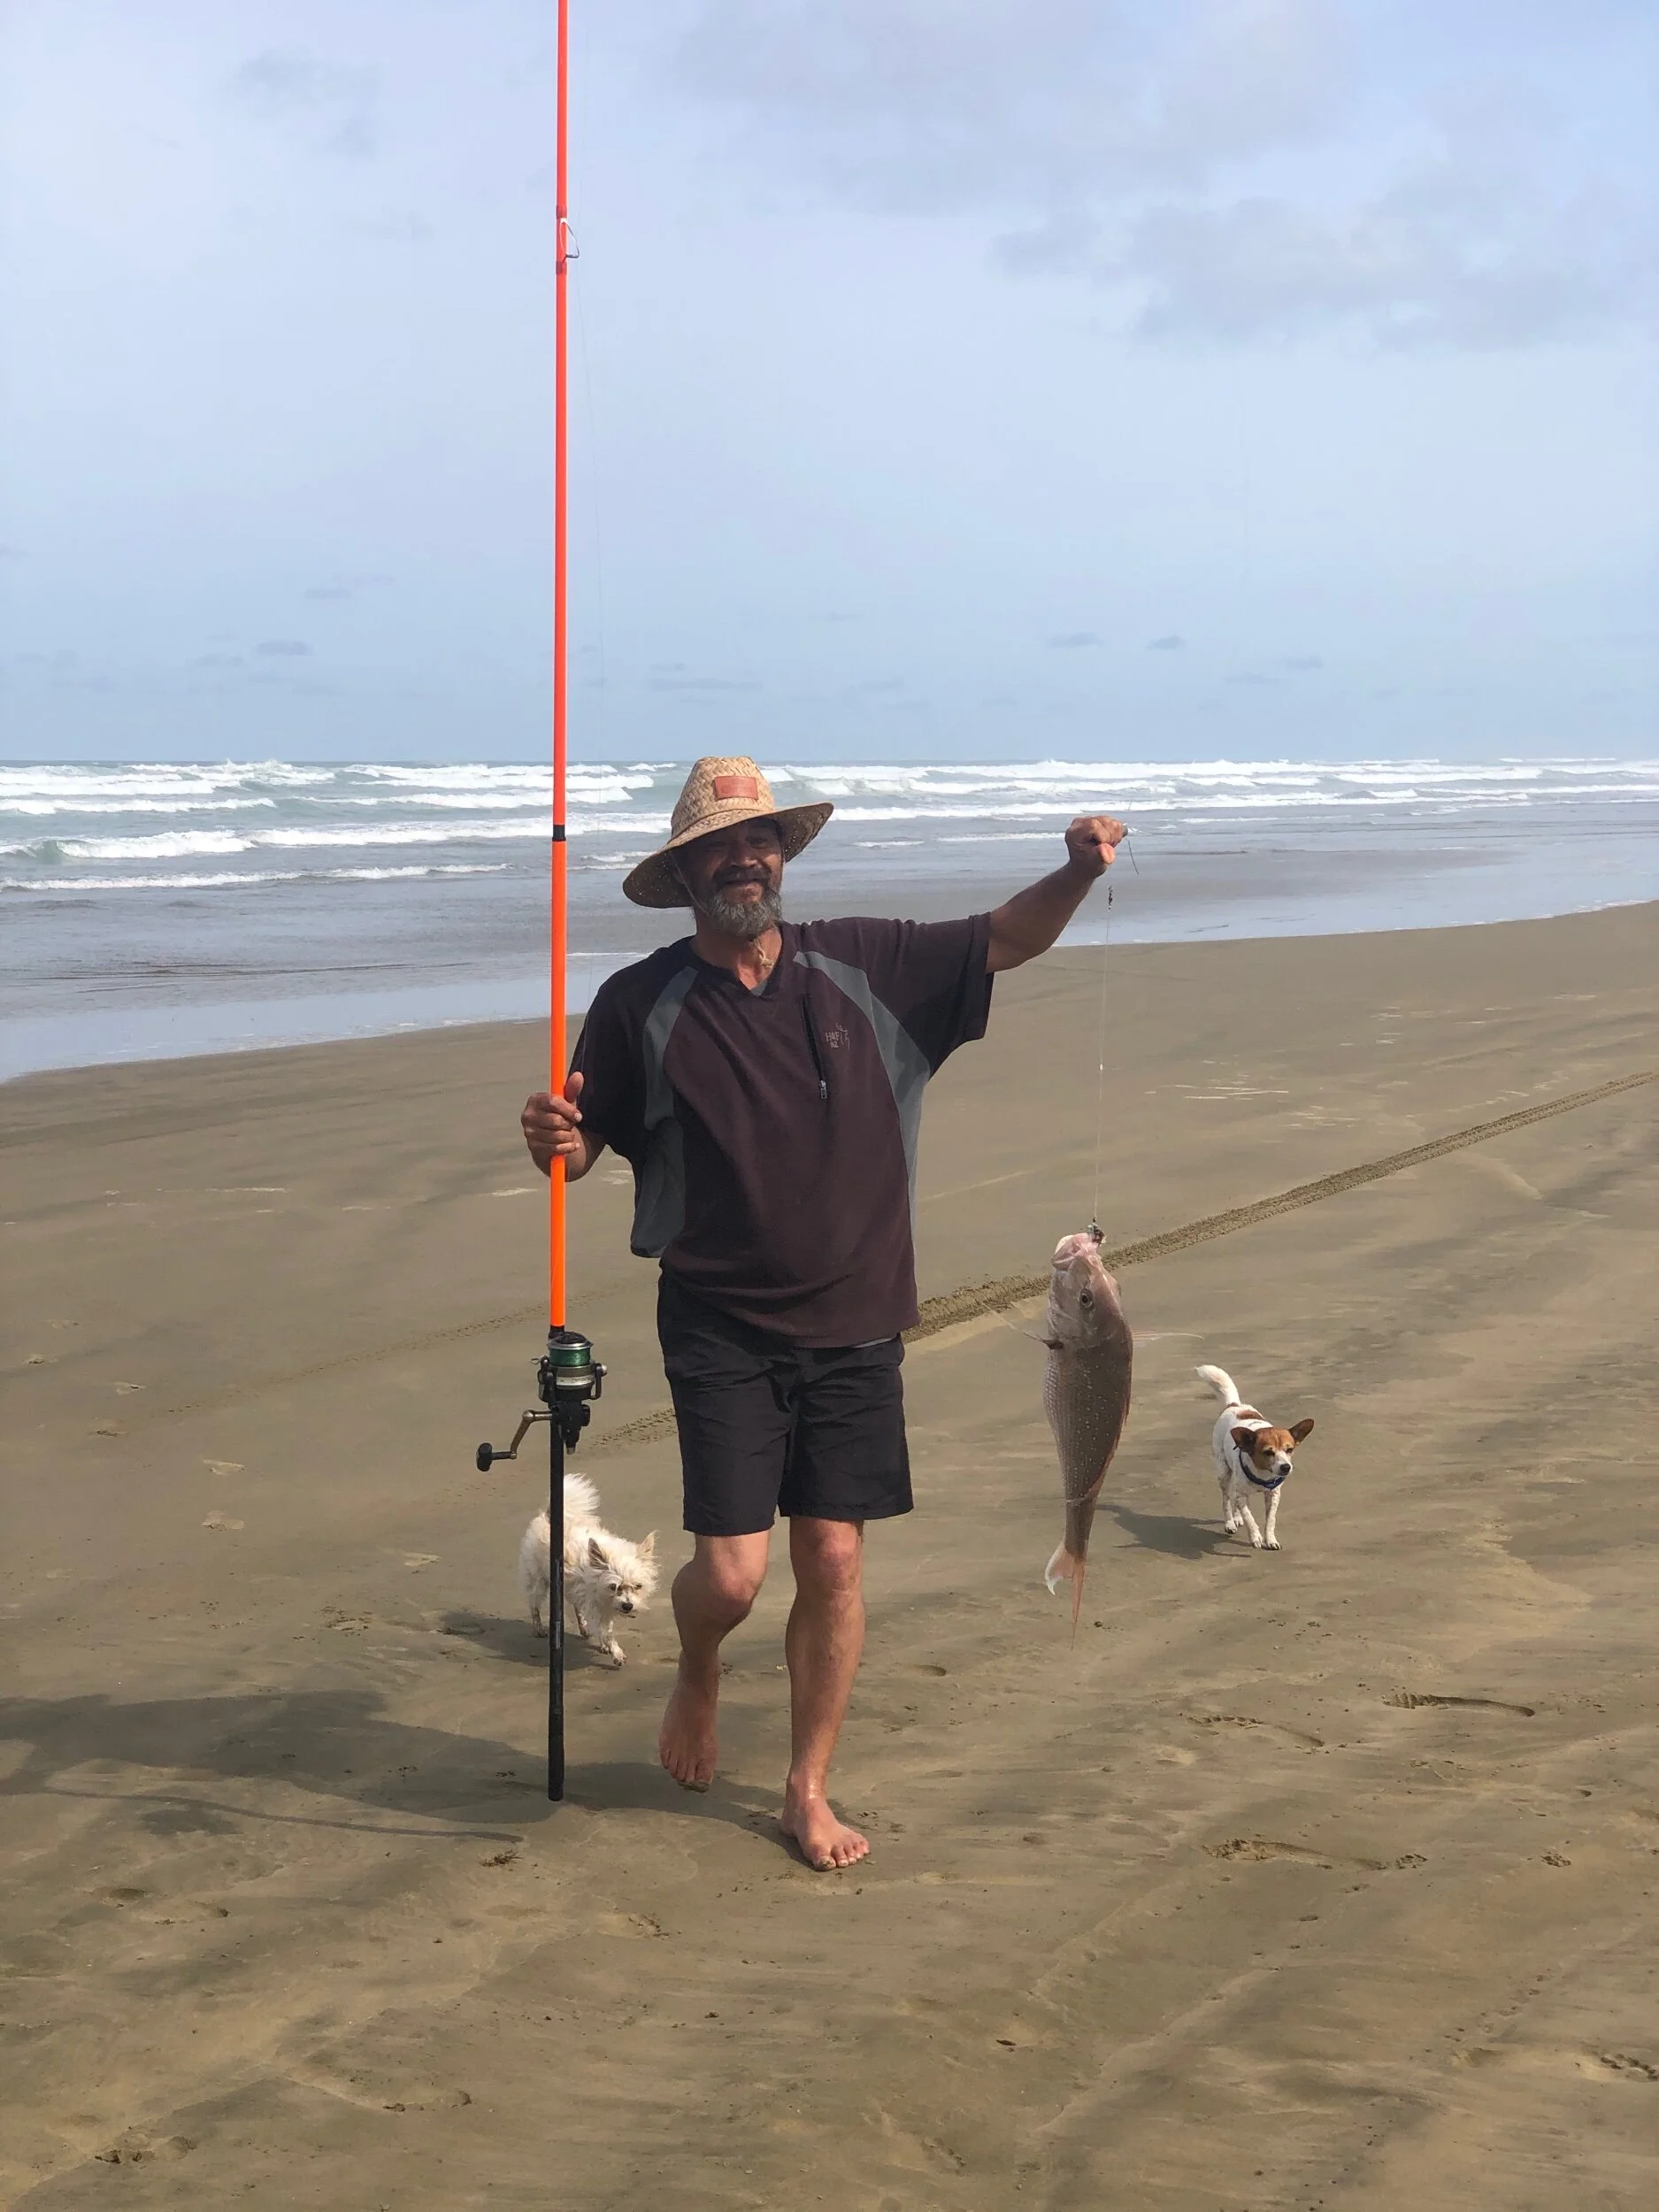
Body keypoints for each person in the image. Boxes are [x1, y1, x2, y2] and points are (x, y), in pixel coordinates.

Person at [521, 756, 1125, 1870]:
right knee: (733, 1576)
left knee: (835, 1560)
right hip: (717, 1320)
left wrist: (1077, 872)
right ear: (686, 874)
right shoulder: (638, 1003)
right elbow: (579, 1148)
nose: (742, 861)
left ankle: (808, 1787)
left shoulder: (868, 961)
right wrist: (555, 1139)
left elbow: (1006, 937)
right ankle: (699, 1666)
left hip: (858, 1320)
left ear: (782, 856)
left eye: (759, 842)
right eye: (717, 849)